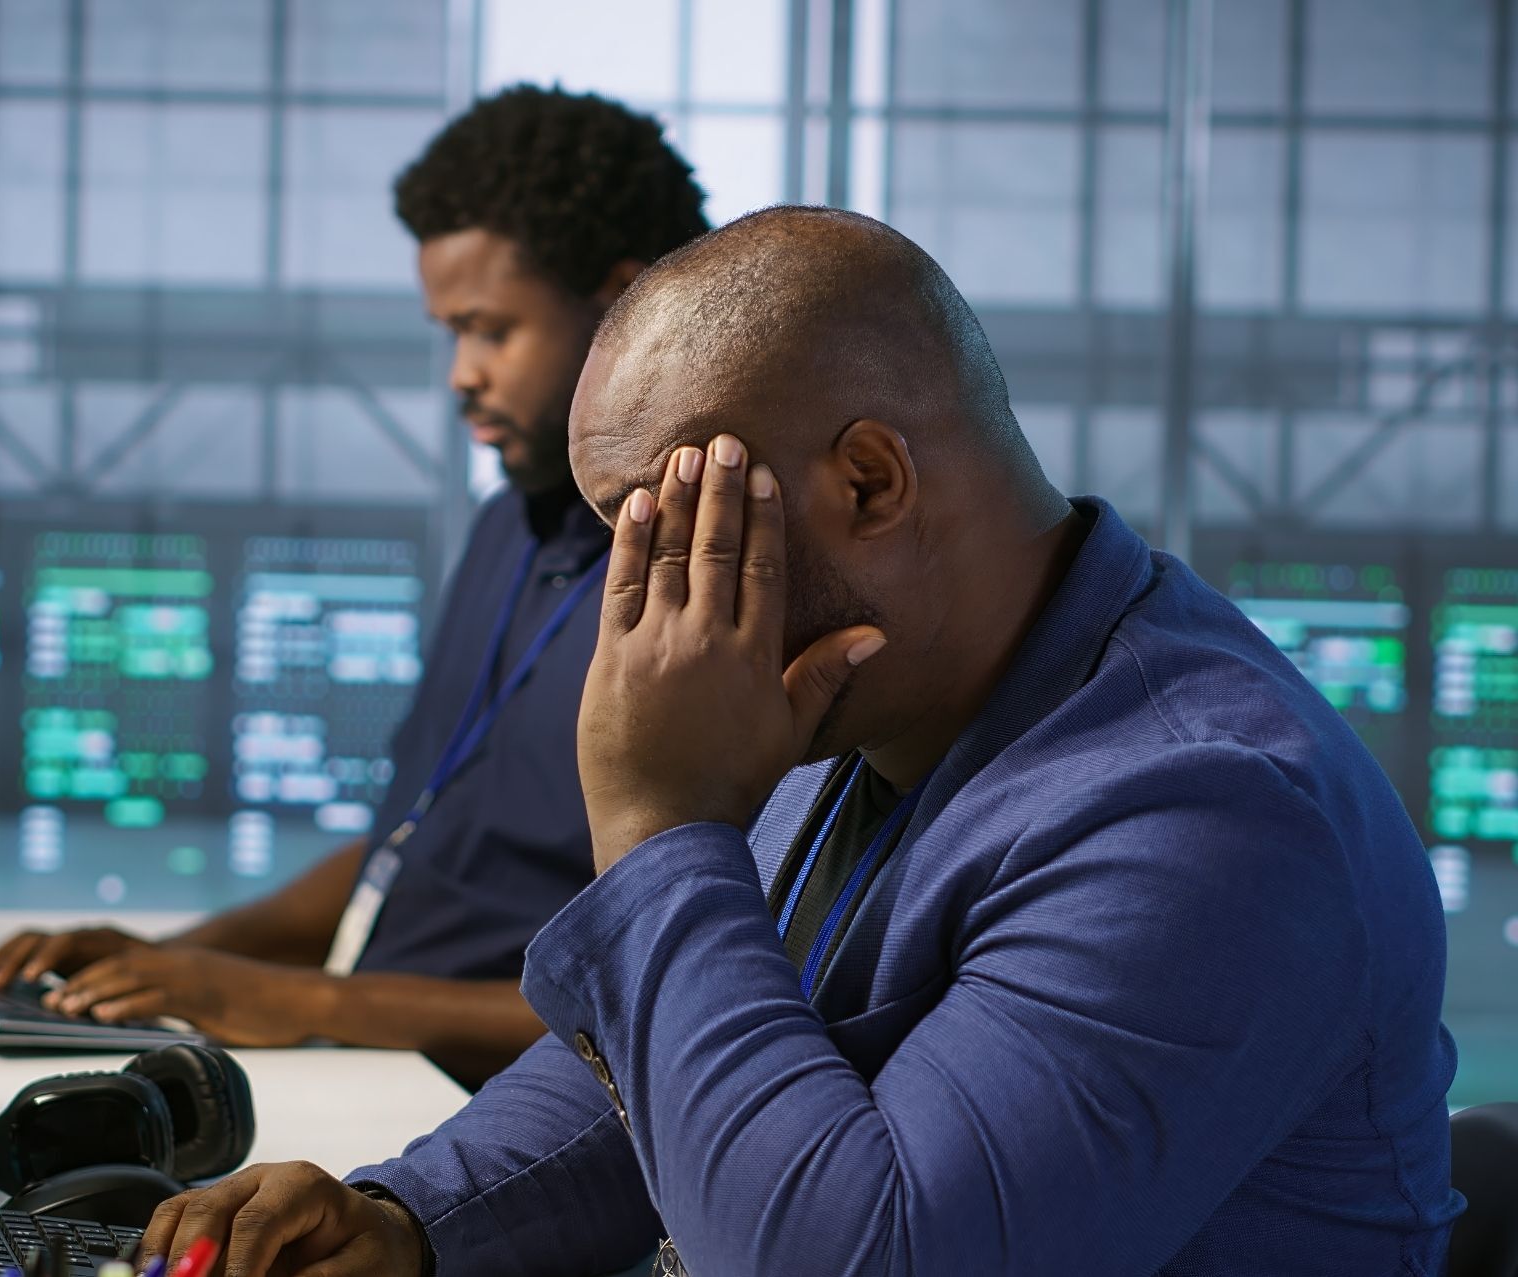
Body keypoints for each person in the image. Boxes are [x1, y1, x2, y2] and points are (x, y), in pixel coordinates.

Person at [134, 206, 1462, 1275]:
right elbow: (660, 1072)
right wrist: (409, 1222)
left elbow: (854, 1254)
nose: (636, 618)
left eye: (670, 535)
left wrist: (659, 829)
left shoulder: (1208, 815)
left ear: (869, 481)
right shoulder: (872, 703)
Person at [0, 86, 710, 1089]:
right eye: (450, 333)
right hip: (370, 1067)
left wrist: (305, 1002)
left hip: (501, 1111)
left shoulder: (695, 593)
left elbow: (662, 1001)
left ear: (621, 309)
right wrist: (179, 959)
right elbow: (413, 848)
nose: (461, 374)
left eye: (490, 330)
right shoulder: (512, 525)